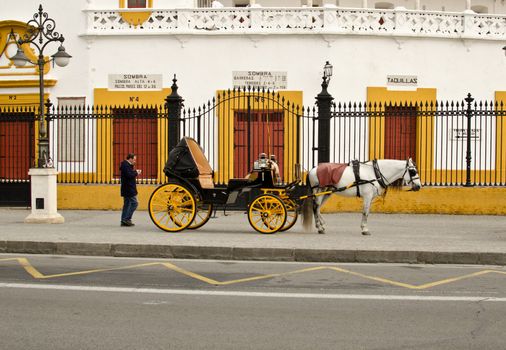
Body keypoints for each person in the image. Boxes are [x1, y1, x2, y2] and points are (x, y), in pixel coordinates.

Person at [120, 153, 141, 227]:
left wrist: (133, 170)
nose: (135, 161)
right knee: (135, 203)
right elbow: (129, 175)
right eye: (134, 160)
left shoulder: (127, 165)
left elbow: (129, 173)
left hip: (127, 188)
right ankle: (127, 219)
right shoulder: (125, 165)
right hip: (128, 188)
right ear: (130, 159)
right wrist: (136, 172)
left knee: (127, 204)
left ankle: (124, 220)